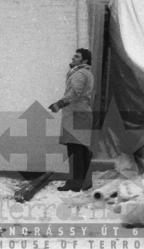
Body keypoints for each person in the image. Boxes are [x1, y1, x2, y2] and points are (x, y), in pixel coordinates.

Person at [48, 48, 94, 192]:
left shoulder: (79, 74)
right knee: (81, 149)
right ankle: (85, 182)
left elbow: (74, 92)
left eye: (76, 57)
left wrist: (59, 104)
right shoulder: (87, 73)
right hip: (82, 114)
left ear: (84, 61)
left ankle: (75, 183)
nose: (73, 58)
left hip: (76, 114)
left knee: (75, 150)